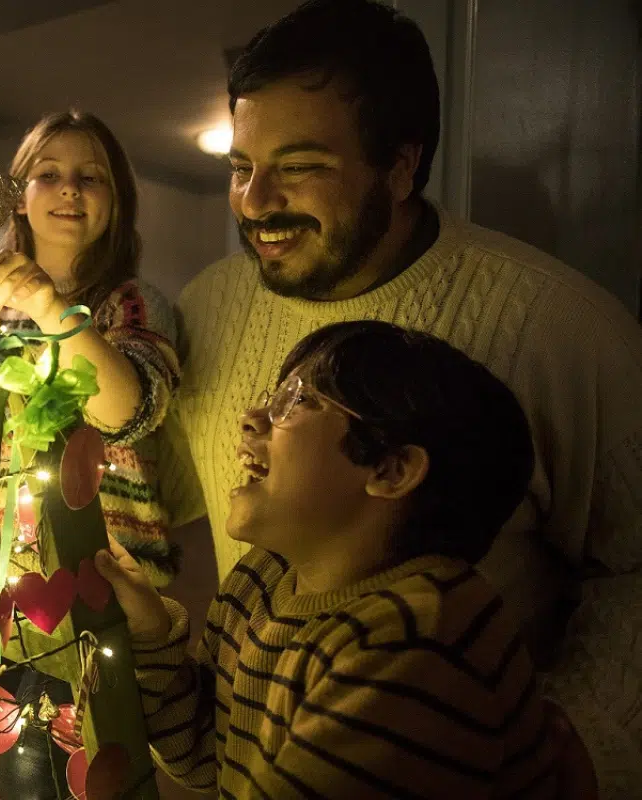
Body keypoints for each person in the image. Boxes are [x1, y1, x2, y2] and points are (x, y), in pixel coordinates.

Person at [158, 0, 642, 791]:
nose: (253, 202)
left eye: (302, 165)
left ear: (402, 166)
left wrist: (581, 738)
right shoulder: (208, 307)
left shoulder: (560, 326)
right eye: (240, 169)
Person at [101, 320, 558, 796]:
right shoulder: (267, 574)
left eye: (299, 401)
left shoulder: (412, 650)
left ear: (389, 470)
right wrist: (153, 633)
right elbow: (207, 756)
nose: (252, 418)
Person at [0, 110, 181, 797]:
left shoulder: (133, 305)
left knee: (93, 771)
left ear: (118, 200)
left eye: (90, 177)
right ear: (21, 195)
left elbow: (125, 412)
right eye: (49, 174)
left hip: (107, 589)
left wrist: (51, 308)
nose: (69, 189)